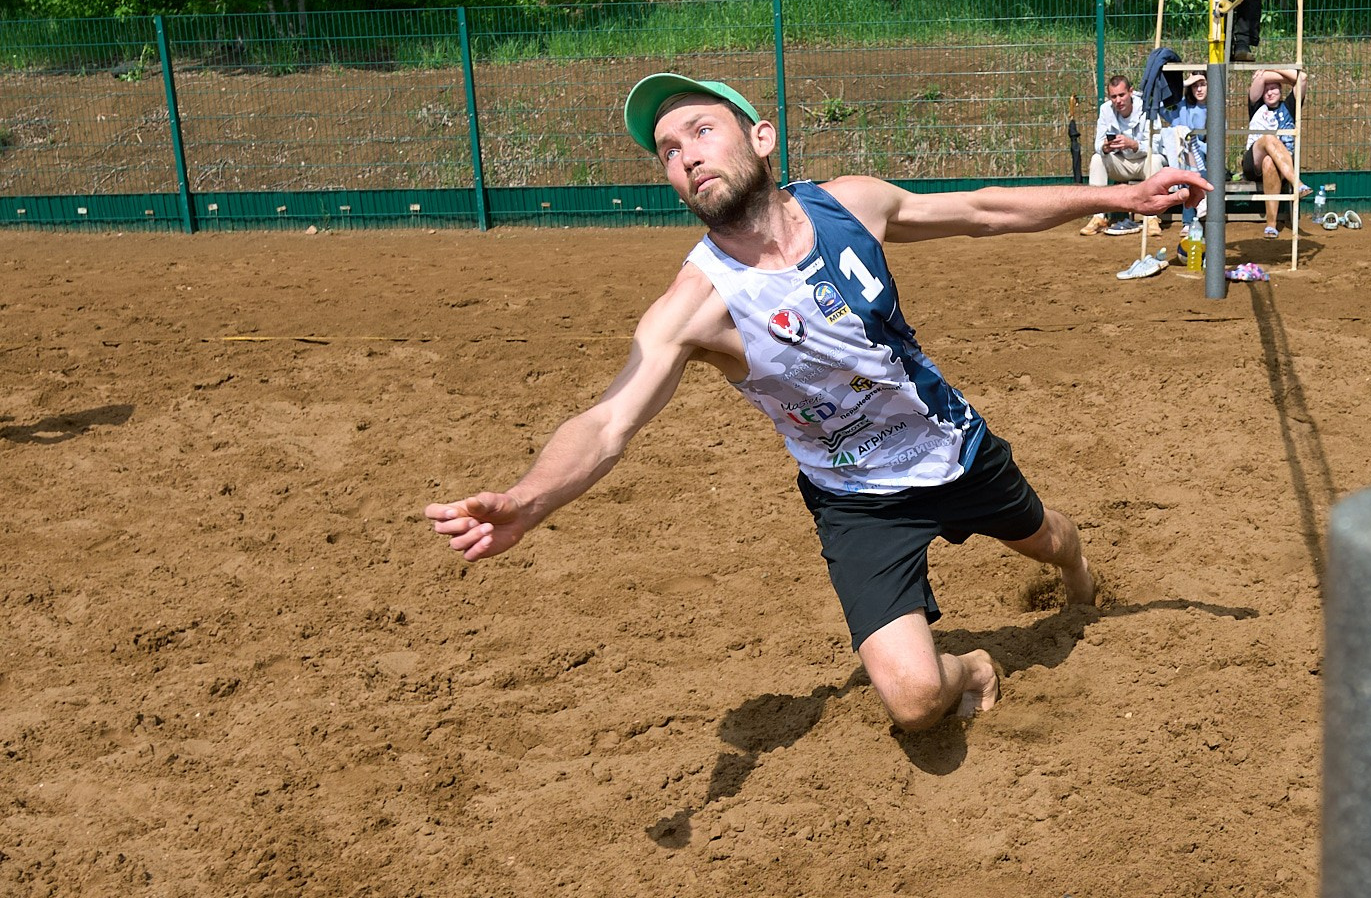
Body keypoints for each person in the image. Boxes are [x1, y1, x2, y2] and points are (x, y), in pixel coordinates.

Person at [423, 73, 1208, 733]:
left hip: (951, 444)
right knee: (912, 699)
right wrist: (531, 498)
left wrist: (1126, 194)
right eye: (669, 151)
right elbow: (608, 420)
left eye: (701, 130)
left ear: (761, 138)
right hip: (858, 500)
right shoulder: (695, 307)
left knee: (1049, 540)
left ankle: (1076, 571)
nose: (686, 155)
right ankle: (974, 662)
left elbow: (981, 209)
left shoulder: (848, 204)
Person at [1083, 72, 1159, 236]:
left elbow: (1157, 145)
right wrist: (1106, 147)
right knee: (1097, 159)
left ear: (1131, 92)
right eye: (1113, 97)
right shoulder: (1105, 110)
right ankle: (1098, 216)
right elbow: (1098, 144)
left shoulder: (1147, 108)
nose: (1118, 101)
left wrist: (1133, 144)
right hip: (1120, 162)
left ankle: (1152, 218)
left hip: (1143, 162)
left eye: (1122, 95)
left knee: (1156, 159)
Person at [1244, 67, 1299, 237]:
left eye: (1273, 88)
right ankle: (1297, 182)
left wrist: (1271, 70)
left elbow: (1301, 78)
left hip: (1279, 164)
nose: (1269, 93)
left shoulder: (1289, 107)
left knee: (1270, 161)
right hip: (1253, 161)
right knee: (1268, 139)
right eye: (1266, 90)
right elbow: (1257, 82)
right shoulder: (1256, 106)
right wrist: (1266, 76)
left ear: (1281, 90)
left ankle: (1271, 225)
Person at [1160, 70, 1213, 230]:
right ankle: (1194, 213)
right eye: (1194, 85)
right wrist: (1183, 84)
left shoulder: (1215, 109)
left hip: (1204, 158)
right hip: (1180, 157)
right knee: (1187, 156)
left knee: (1193, 157)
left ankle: (1189, 221)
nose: (1199, 89)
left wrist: (1196, 145)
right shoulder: (1181, 106)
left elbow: (1215, 145)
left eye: (1202, 84)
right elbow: (1157, 106)